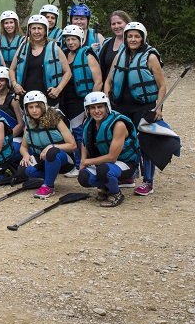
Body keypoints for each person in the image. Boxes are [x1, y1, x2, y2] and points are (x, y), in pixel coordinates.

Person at [105, 21, 166, 197]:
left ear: (143, 38)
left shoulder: (150, 57)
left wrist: (158, 108)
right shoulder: (120, 55)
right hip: (121, 106)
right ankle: (128, 175)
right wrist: (107, 101)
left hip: (143, 106)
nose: (133, 39)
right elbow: (108, 81)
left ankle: (148, 181)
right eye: (130, 36)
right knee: (125, 142)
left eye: (136, 36)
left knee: (145, 143)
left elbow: (162, 86)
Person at [77, 91, 139, 207]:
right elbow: (84, 142)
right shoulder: (88, 122)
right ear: (88, 110)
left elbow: (112, 158)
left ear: (106, 107)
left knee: (104, 170)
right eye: (92, 108)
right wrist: (82, 161)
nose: (96, 111)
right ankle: (105, 187)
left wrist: (87, 161)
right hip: (103, 163)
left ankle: (116, 194)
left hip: (125, 163)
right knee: (84, 177)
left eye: (100, 107)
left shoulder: (118, 125)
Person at [19, 91, 76, 199]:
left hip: (64, 160)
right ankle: (48, 178)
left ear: (44, 106)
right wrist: (26, 155)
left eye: (37, 106)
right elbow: (23, 147)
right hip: (42, 158)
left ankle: (49, 186)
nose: (34, 110)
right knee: (24, 170)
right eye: (30, 107)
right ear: (26, 109)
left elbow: (72, 145)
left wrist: (51, 146)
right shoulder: (28, 122)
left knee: (52, 152)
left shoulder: (56, 120)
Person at [60, 24, 103, 160]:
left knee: (78, 130)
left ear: (80, 39)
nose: (70, 42)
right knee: (66, 131)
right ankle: (71, 161)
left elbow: (98, 82)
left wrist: (90, 105)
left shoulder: (88, 55)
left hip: (80, 100)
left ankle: (80, 162)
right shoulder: (63, 54)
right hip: (65, 99)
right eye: (68, 39)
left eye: (74, 39)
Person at [9, 14, 72, 106]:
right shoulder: (23, 47)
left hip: (49, 99)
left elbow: (68, 72)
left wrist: (58, 89)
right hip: (27, 99)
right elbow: (12, 69)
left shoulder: (54, 48)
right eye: (33, 28)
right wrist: (15, 85)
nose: (36, 32)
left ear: (45, 30)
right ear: (29, 30)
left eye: (39, 28)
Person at [97, 10, 130, 82]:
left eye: (119, 23)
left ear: (127, 23)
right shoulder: (107, 43)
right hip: (108, 86)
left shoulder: (134, 44)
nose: (116, 26)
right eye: (113, 24)